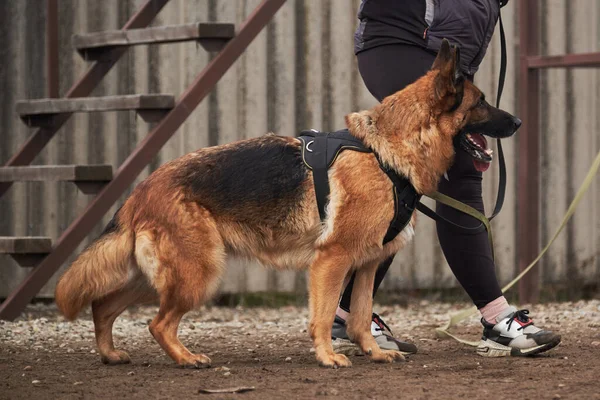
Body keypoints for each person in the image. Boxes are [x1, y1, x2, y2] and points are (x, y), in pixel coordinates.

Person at [332, 0, 562, 357]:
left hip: (451, 47)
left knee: (409, 179)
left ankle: (344, 315)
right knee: (454, 169)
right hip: (404, 38)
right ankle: (496, 319)